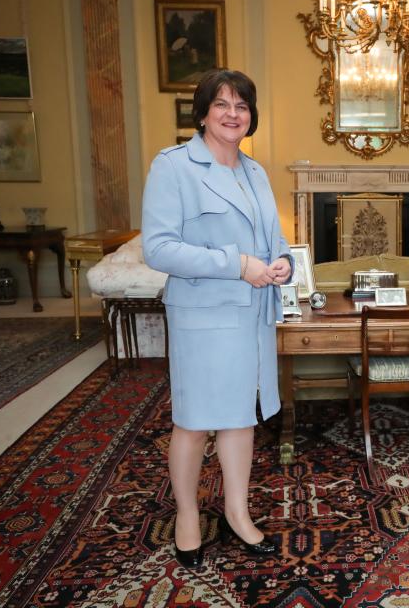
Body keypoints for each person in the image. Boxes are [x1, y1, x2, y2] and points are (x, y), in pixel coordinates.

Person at [142, 70, 293, 569]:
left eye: (242, 105)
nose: (233, 114)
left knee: (239, 419)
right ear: (202, 112)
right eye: (222, 104)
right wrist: (237, 265)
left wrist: (284, 261)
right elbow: (159, 248)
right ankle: (187, 516)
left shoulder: (256, 172)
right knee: (194, 421)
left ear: (252, 115)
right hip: (203, 318)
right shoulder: (174, 167)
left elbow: (272, 240)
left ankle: (237, 513)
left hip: (251, 318)